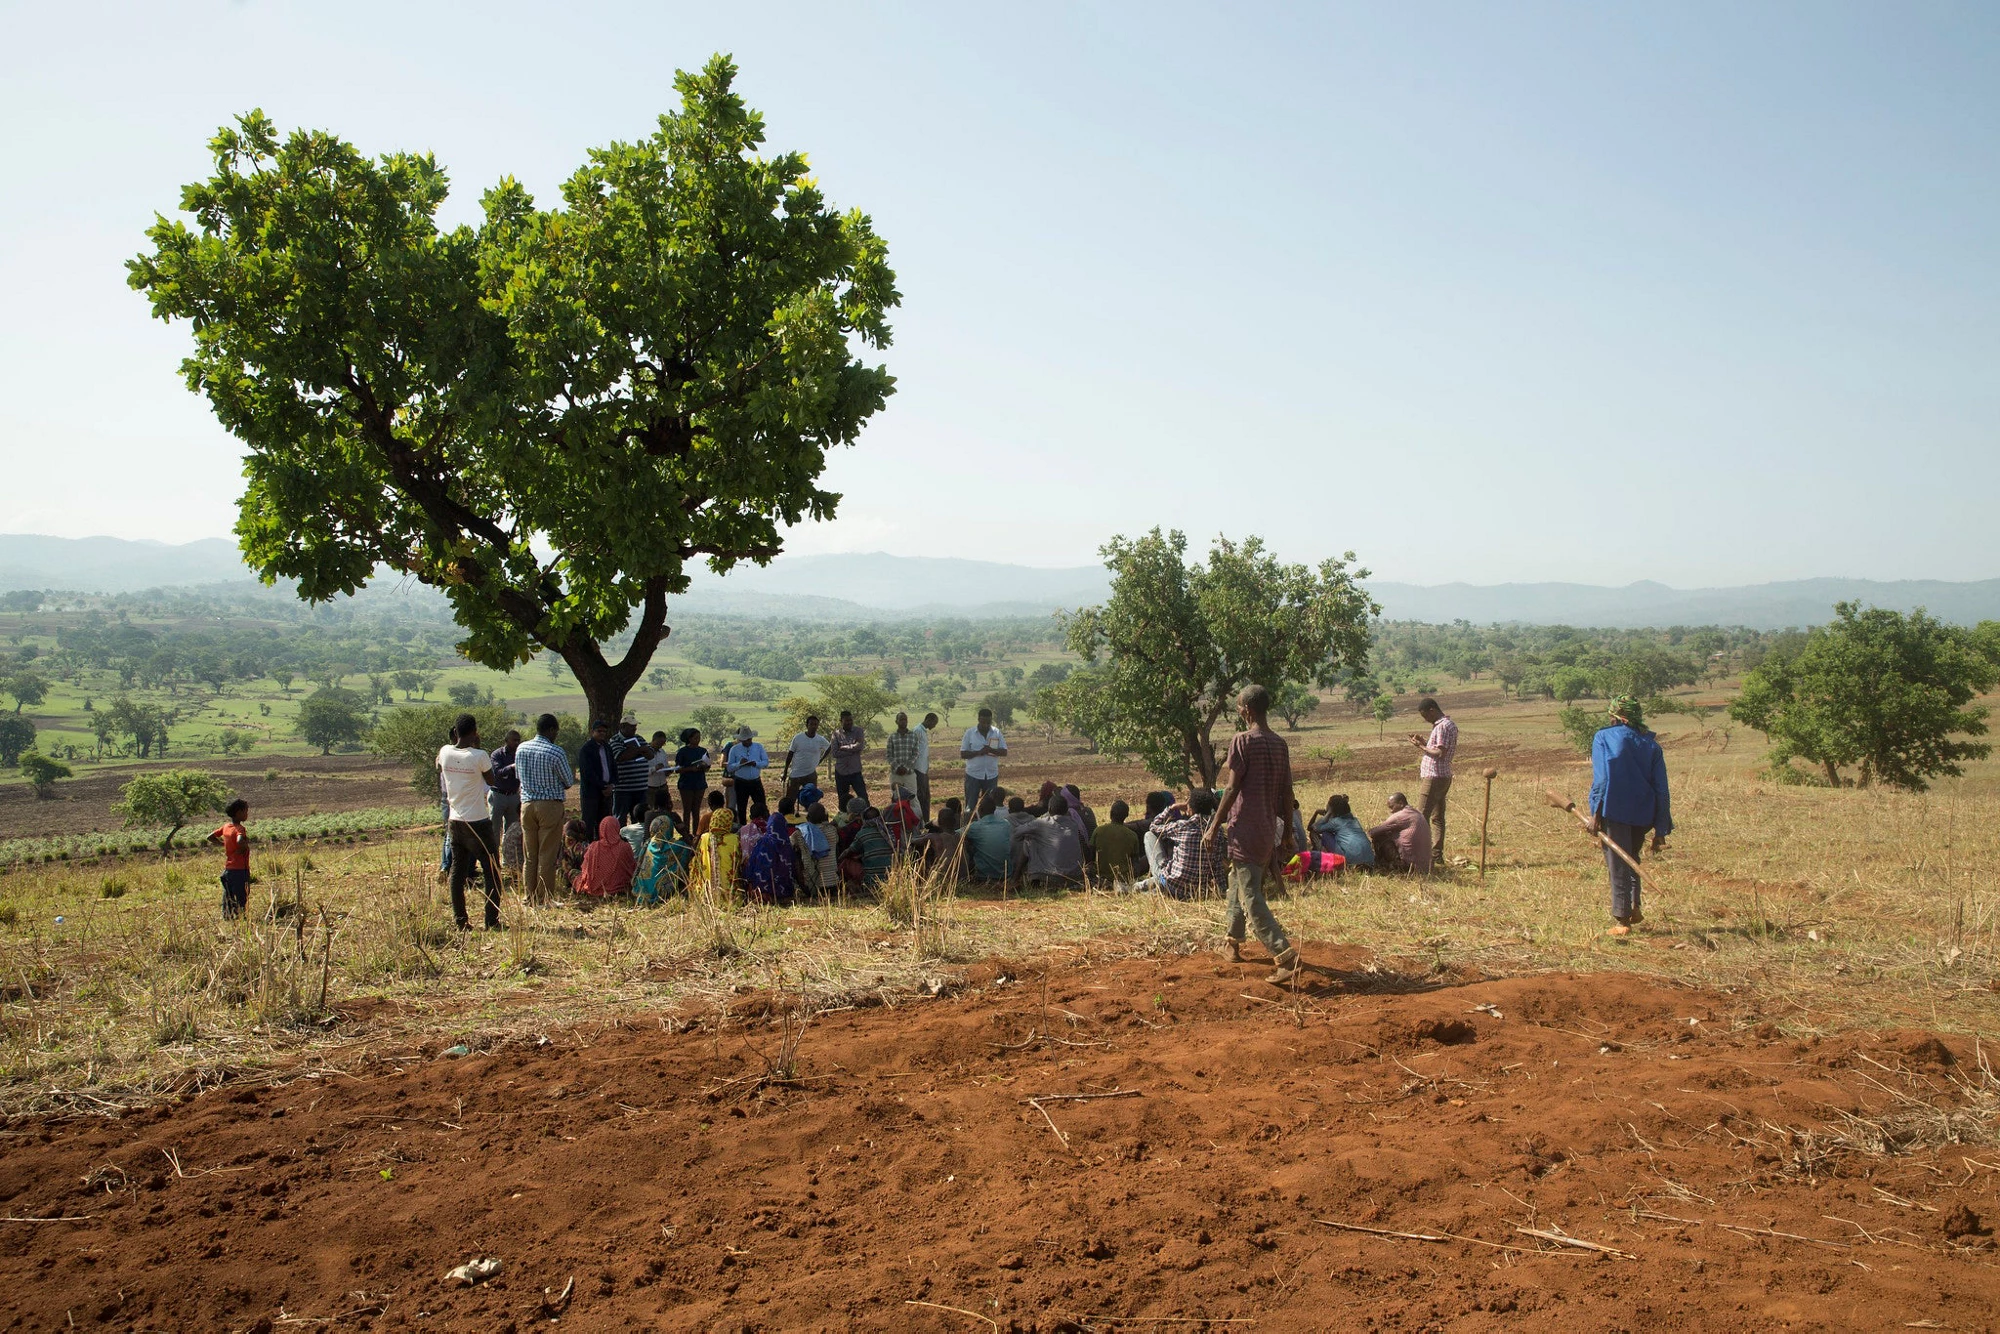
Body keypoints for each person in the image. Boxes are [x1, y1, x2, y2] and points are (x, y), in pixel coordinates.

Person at [1208, 684, 1302, 984]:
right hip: (1265, 830)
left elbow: (1233, 788)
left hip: (1245, 829)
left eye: (1238, 706)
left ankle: (1284, 955)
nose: (1238, 711)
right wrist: (1286, 831)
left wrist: (1213, 826)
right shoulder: (1279, 743)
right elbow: (1287, 791)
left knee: (1251, 896)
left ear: (1247, 709)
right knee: (1237, 881)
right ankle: (1231, 943)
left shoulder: (1242, 741)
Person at [1587, 695, 1673, 937]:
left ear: (1615, 716)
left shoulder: (1603, 737)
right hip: (1644, 812)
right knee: (1632, 857)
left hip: (1614, 809)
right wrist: (1661, 827)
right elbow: (1662, 789)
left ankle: (1621, 918)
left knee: (1617, 863)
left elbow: (1602, 778)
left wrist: (1596, 813)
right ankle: (1634, 908)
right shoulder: (1651, 745)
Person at [438, 713, 502, 930]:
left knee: (457, 870)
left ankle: (461, 921)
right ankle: (491, 920)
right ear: (475, 732)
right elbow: (491, 780)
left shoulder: (445, 752)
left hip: (455, 820)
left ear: (455, 732)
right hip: (478, 820)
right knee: (492, 870)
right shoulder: (480, 755)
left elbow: (442, 764)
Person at [516, 713, 574, 904]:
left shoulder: (521, 748)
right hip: (549, 805)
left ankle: (529, 895)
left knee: (530, 855)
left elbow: (519, 776)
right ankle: (544, 898)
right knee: (546, 855)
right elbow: (568, 781)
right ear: (551, 730)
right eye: (556, 731)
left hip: (527, 805)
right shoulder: (555, 752)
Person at [1136, 789, 1222, 900]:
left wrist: (1172, 808)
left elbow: (1153, 826)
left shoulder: (1182, 826)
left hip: (1172, 885)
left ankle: (1136, 887)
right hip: (1196, 890)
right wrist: (1221, 888)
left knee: (1149, 836)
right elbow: (1217, 865)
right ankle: (1143, 887)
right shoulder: (1217, 832)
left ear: (1190, 807)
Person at [1408, 697, 1457, 865]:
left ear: (1432, 710)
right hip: (1443, 775)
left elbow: (1439, 753)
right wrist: (1424, 742)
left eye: (1425, 716)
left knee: (1421, 817)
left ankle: (1422, 858)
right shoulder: (1448, 724)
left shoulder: (1442, 727)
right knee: (1438, 818)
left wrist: (1420, 747)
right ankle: (1436, 855)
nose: (1425, 719)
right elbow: (1437, 747)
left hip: (1434, 776)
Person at [1011, 792, 1086, 888]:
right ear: (1066, 810)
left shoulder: (1042, 823)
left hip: (1050, 876)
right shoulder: (1074, 824)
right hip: (1075, 877)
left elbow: (1017, 833)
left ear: (1049, 809)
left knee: (1029, 839)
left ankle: (1015, 879)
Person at [207, 796, 251, 920]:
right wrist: (243, 847)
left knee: (228, 896)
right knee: (241, 896)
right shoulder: (239, 828)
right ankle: (241, 918)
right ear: (239, 812)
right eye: (245, 811)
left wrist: (223, 844)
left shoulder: (226, 827)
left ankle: (227, 917)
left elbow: (210, 837)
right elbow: (240, 839)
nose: (247, 814)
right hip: (240, 869)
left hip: (228, 870)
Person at [632, 816, 693, 907]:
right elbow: (690, 849)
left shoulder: (648, 843)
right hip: (658, 894)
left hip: (639, 891)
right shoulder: (673, 847)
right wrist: (684, 832)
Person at [1368, 792, 1433, 874]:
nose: (1391, 811)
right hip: (1426, 866)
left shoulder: (1400, 816)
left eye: (1392, 807)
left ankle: (1389, 865)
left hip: (1410, 867)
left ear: (1401, 803)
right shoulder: (1417, 813)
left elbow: (1373, 833)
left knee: (1380, 837)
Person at [744, 807, 800, 903]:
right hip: (785, 891)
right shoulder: (787, 845)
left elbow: (751, 866)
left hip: (763, 892)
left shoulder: (763, 843)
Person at [575, 815, 637, 899]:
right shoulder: (625, 847)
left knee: (572, 872)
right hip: (619, 890)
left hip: (592, 890)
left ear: (601, 829)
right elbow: (632, 869)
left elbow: (585, 871)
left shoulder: (593, 847)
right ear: (617, 828)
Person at [488, 728, 523, 876]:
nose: (516, 743)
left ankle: (507, 863)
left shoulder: (520, 753)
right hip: (498, 794)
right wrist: (512, 767)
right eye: (514, 740)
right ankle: (493, 863)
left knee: (511, 831)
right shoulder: (497, 754)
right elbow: (498, 772)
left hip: (513, 795)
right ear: (506, 741)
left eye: (518, 740)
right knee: (494, 830)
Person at [610, 713, 653, 826]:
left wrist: (636, 750)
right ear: (622, 727)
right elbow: (620, 756)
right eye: (631, 726)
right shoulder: (615, 740)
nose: (634, 729)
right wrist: (640, 750)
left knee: (640, 819)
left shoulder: (639, 738)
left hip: (641, 787)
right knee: (620, 818)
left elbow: (650, 754)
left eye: (635, 726)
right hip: (622, 789)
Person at [960, 708, 1007, 810]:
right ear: (978, 720)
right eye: (983, 722)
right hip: (973, 775)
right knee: (970, 806)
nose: (986, 724)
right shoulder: (969, 733)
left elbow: (1004, 752)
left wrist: (990, 750)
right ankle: (969, 825)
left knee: (990, 807)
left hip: (991, 775)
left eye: (988, 722)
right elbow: (963, 754)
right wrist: (978, 752)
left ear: (991, 720)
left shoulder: (996, 732)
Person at [576, 719, 618, 832]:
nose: (602, 734)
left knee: (604, 825)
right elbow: (587, 773)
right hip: (591, 794)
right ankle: (589, 848)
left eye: (604, 731)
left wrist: (612, 785)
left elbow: (614, 767)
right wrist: (603, 787)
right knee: (588, 825)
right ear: (592, 732)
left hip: (607, 793)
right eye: (599, 731)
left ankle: (603, 848)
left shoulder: (607, 748)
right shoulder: (586, 750)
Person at [841, 805, 895, 890]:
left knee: (846, 862)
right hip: (891, 879)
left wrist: (839, 858)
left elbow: (850, 851)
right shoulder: (888, 831)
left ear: (864, 820)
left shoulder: (862, 833)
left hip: (871, 881)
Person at [1312, 793, 1374, 868]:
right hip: (1370, 861)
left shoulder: (1336, 822)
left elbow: (1315, 827)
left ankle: (1325, 860)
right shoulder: (1355, 821)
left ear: (1332, 810)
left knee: (1325, 834)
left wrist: (1327, 814)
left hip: (1349, 861)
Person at [693, 808, 742, 901]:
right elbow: (738, 863)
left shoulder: (704, 838)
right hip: (730, 896)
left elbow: (697, 862)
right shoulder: (734, 839)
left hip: (706, 895)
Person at [963, 795, 1013, 882]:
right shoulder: (1005, 824)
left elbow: (953, 834)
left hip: (984, 875)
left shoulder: (975, 827)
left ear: (980, 810)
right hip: (1006, 874)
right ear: (994, 810)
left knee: (966, 843)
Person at [782, 715, 832, 800]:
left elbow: (829, 747)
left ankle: (810, 813)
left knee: (811, 800)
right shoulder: (798, 738)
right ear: (807, 725)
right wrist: (785, 772)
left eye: (815, 724)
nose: (813, 726)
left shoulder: (820, 739)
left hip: (810, 774)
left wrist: (821, 759)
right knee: (790, 799)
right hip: (795, 774)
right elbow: (790, 755)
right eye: (811, 724)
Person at [724, 726, 770, 818]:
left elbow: (766, 762)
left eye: (749, 739)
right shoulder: (734, 749)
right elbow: (729, 767)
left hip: (755, 781)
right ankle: (743, 828)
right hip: (741, 782)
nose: (747, 742)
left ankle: (763, 826)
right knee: (741, 808)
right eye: (745, 740)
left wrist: (755, 764)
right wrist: (739, 764)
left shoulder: (759, 747)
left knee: (761, 806)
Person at [1093, 799, 1139, 888]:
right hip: (1123, 880)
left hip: (1102, 878)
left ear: (1111, 813)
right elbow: (1135, 861)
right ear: (1126, 815)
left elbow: (1091, 854)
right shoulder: (1132, 835)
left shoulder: (1098, 831)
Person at [674, 728, 711, 829]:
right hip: (686, 784)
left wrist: (704, 766)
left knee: (696, 810)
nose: (698, 740)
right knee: (687, 810)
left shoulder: (703, 751)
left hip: (699, 783)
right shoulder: (682, 752)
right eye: (695, 738)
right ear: (689, 739)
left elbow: (708, 767)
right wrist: (691, 769)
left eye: (699, 738)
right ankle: (686, 832)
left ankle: (696, 833)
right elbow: (677, 769)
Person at [832, 710, 869, 809]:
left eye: (850, 720)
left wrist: (844, 747)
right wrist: (853, 749)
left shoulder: (858, 731)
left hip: (855, 771)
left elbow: (860, 747)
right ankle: (844, 821)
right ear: (841, 721)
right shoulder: (836, 734)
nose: (849, 722)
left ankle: (868, 820)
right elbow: (835, 753)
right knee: (843, 800)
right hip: (841, 772)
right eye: (846, 720)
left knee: (863, 798)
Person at [798, 803, 837, 894]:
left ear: (808, 817)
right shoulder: (832, 831)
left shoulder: (800, 833)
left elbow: (790, 843)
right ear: (825, 816)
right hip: (832, 882)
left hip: (812, 885)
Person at [886, 712, 921, 808]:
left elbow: (915, 754)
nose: (903, 721)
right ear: (896, 721)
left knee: (913, 799)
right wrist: (898, 767)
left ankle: (917, 822)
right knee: (896, 799)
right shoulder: (892, 737)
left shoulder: (913, 736)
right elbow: (889, 755)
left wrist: (905, 767)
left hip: (909, 774)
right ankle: (898, 822)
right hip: (895, 774)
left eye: (905, 719)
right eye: (901, 719)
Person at [646, 730, 677, 816]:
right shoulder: (645, 752)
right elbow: (642, 771)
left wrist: (668, 771)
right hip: (650, 788)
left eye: (663, 743)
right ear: (654, 740)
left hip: (663, 786)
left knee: (666, 809)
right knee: (652, 811)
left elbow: (665, 766)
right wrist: (654, 768)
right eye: (659, 743)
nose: (660, 746)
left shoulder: (662, 752)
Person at [914, 711, 938, 820]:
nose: (934, 726)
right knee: (921, 796)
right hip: (918, 769)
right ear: (929, 720)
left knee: (926, 796)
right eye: (934, 723)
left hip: (923, 769)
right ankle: (922, 821)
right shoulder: (918, 730)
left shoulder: (923, 731)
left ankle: (926, 821)